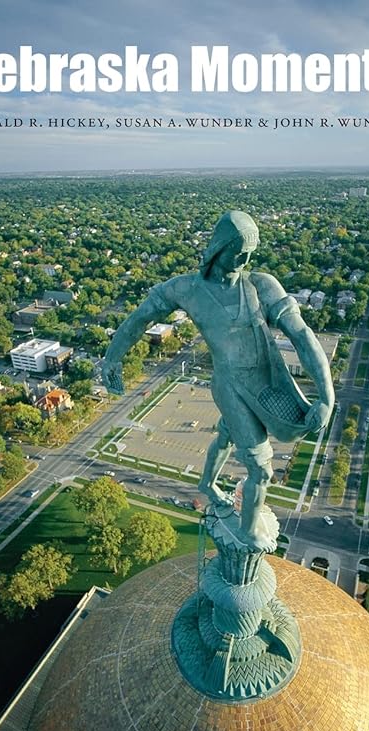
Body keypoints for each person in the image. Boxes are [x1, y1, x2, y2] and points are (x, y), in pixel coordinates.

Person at [102, 210, 334, 550]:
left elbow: (302, 336)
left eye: (251, 252)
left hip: (268, 382)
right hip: (230, 386)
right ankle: (249, 532)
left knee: (226, 435)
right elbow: (140, 318)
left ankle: (208, 484)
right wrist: (112, 358)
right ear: (218, 247)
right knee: (260, 467)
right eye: (238, 251)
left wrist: (326, 395)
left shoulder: (261, 285)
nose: (245, 259)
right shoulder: (186, 289)